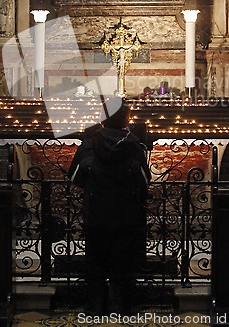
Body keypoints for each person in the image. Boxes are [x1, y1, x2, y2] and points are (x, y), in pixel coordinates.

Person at [68, 98, 151, 316]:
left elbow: (75, 176)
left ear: (102, 119)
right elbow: (144, 180)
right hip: (126, 214)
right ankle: (119, 306)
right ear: (126, 120)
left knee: (95, 261)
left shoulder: (89, 144)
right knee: (122, 261)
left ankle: (95, 306)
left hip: (96, 213)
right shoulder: (133, 145)